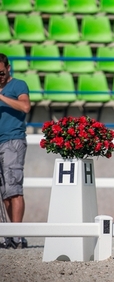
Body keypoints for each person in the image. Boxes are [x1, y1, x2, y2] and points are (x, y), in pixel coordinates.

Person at [0, 53, 30, 249]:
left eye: (1, 72)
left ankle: (17, 235)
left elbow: (25, 106)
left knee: (14, 190)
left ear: (8, 68)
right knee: (5, 193)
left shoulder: (18, 85)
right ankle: (10, 234)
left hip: (12, 141)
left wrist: (0, 96)